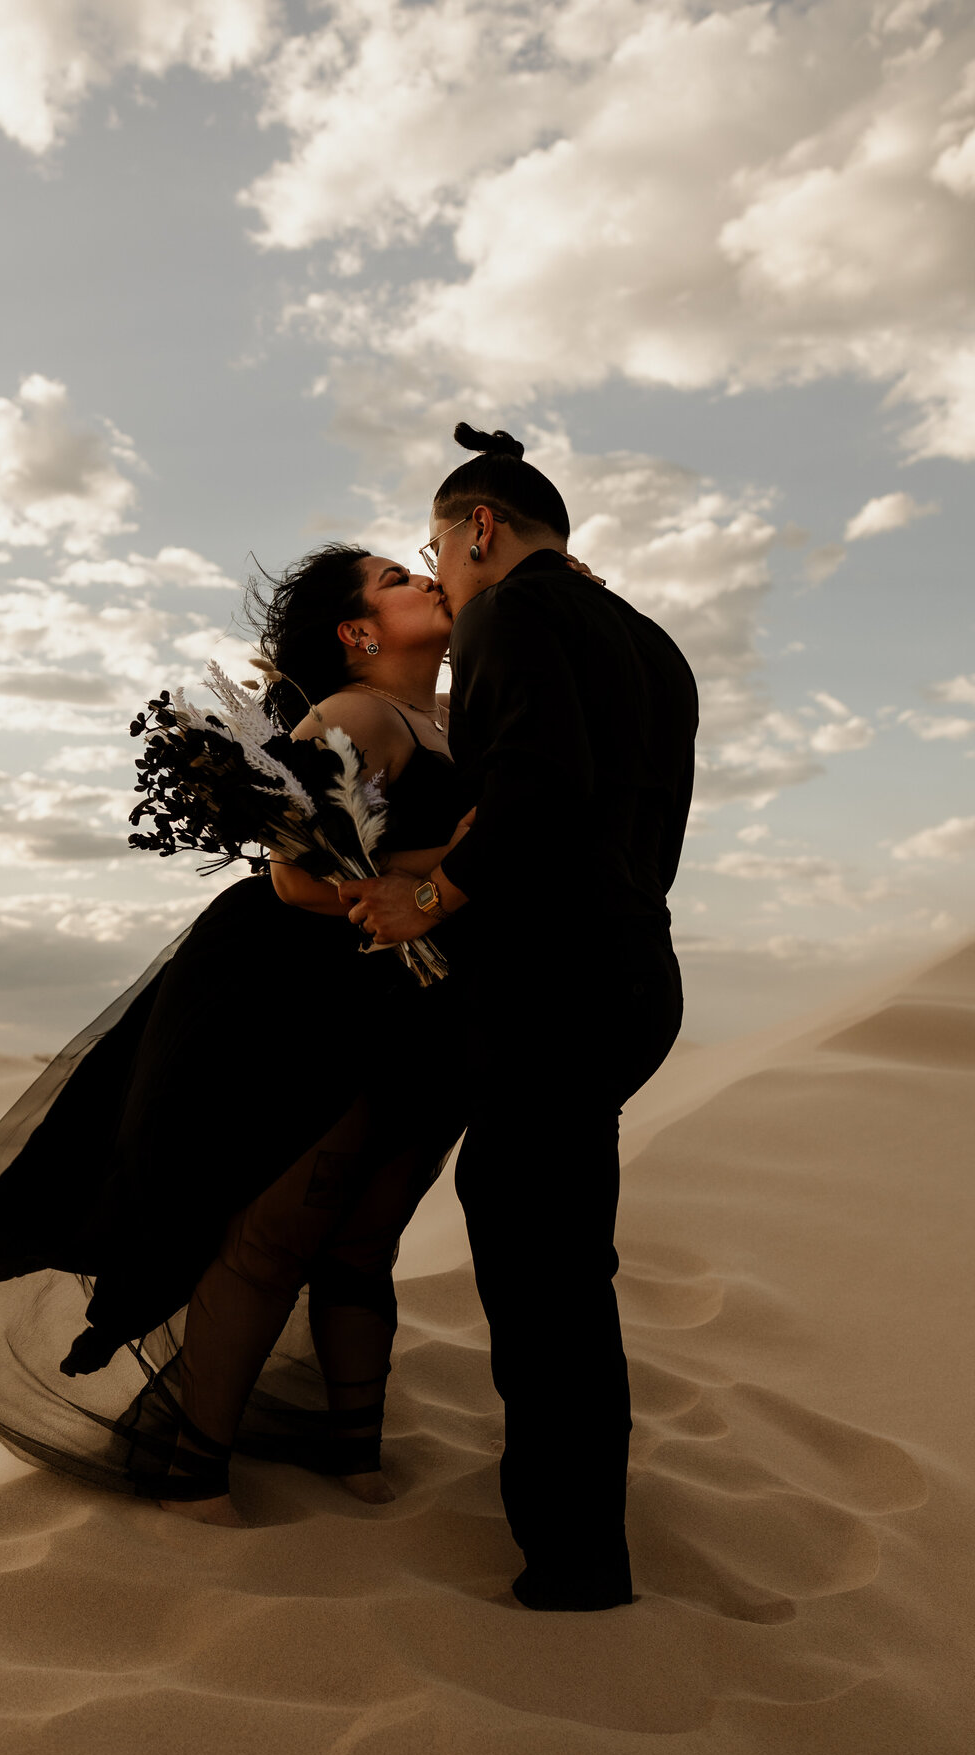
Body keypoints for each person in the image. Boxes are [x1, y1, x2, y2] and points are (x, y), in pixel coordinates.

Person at [0, 545, 470, 1528]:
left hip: (417, 1000)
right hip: (300, 992)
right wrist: (440, 874)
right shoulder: (355, 714)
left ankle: (354, 1452)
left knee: (366, 1235)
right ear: (358, 632)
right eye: (393, 578)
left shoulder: (460, 717)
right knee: (277, 1229)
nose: (422, 579)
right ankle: (194, 1472)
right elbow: (297, 878)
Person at [340, 423, 699, 1611]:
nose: (438, 572)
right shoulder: (654, 643)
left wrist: (425, 898)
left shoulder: (510, 615)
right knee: (565, 1264)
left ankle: (576, 1560)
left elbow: (537, 792)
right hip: (639, 976)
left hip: (552, 986)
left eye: (437, 544)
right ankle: (582, 1525)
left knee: (544, 1281)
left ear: (479, 526)